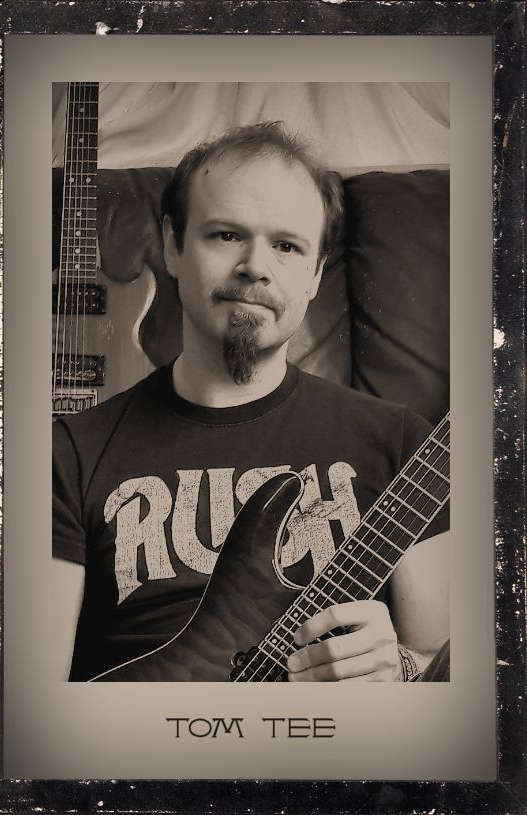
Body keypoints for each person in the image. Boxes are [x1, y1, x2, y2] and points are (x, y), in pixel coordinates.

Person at [52, 122, 449, 682]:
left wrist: (402, 668)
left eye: (287, 246)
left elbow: (442, 668)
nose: (256, 266)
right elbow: (27, 700)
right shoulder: (68, 453)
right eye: (226, 235)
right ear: (172, 246)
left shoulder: (406, 444)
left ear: (315, 275)